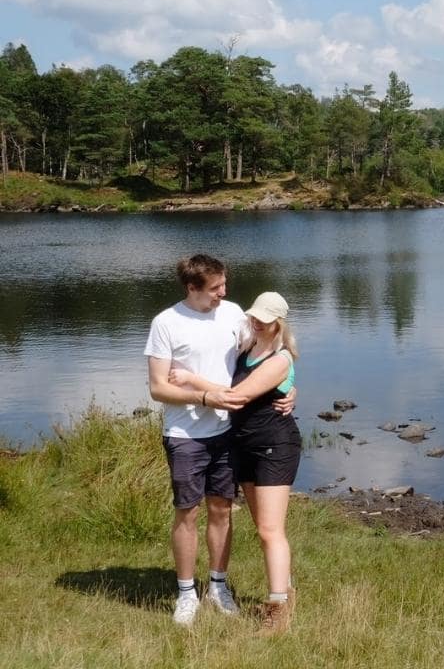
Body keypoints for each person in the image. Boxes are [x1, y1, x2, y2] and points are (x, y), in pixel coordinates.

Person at [145, 255, 294, 627]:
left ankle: (218, 586)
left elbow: (270, 355)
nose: (223, 293)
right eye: (215, 288)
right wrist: (204, 397)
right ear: (191, 288)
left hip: (228, 433)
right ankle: (185, 593)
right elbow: (158, 388)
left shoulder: (232, 315)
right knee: (187, 512)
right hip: (185, 436)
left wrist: (291, 388)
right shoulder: (166, 323)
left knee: (221, 511)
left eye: (224, 284)